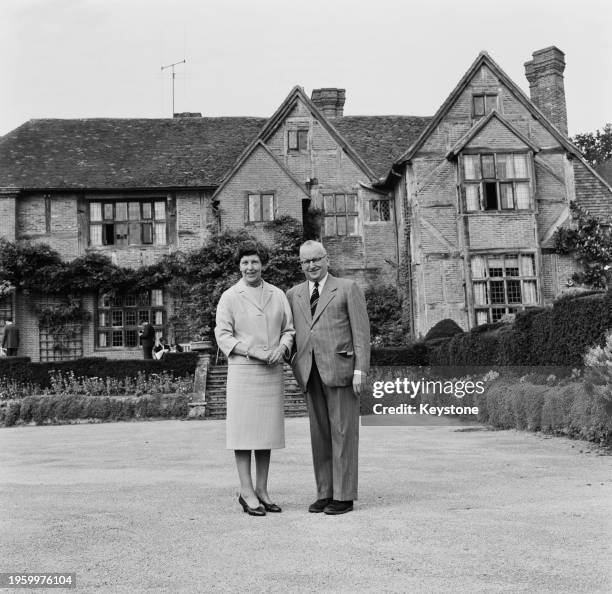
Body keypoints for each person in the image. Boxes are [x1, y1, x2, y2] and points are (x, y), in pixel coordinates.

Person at [287, 240, 370, 515]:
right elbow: (291, 333)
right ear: (300, 265)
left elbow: (361, 334)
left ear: (326, 260)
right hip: (310, 372)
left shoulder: (347, 288)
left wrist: (361, 370)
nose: (311, 265)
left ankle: (344, 495)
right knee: (319, 435)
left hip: (342, 370)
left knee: (343, 432)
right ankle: (325, 492)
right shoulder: (293, 294)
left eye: (315, 259)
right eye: (305, 261)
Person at [215, 241, 294, 516]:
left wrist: (282, 348)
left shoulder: (277, 294)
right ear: (239, 266)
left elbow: (289, 329)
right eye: (245, 262)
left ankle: (262, 489)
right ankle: (246, 491)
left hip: (271, 371)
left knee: (265, 434)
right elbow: (223, 335)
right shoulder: (230, 296)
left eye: (255, 262)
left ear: (263, 265)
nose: (250, 267)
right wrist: (252, 351)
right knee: (243, 434)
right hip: (244, 370)